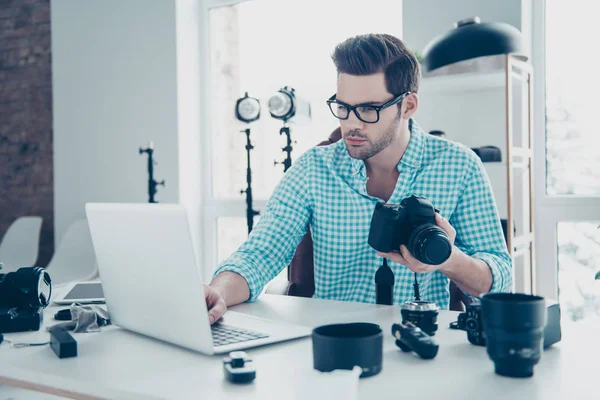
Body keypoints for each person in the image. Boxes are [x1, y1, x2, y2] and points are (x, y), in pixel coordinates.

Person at [205, 33, 512, 324]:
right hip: (335, 344)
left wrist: (446, 259)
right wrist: (217, 292)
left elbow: (499, 280)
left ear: (408, 105)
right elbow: (260, 254)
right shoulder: (313, 169)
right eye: (343, 107)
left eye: (368, 109)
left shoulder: (458, 166)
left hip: (421, 345)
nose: (351, 123)